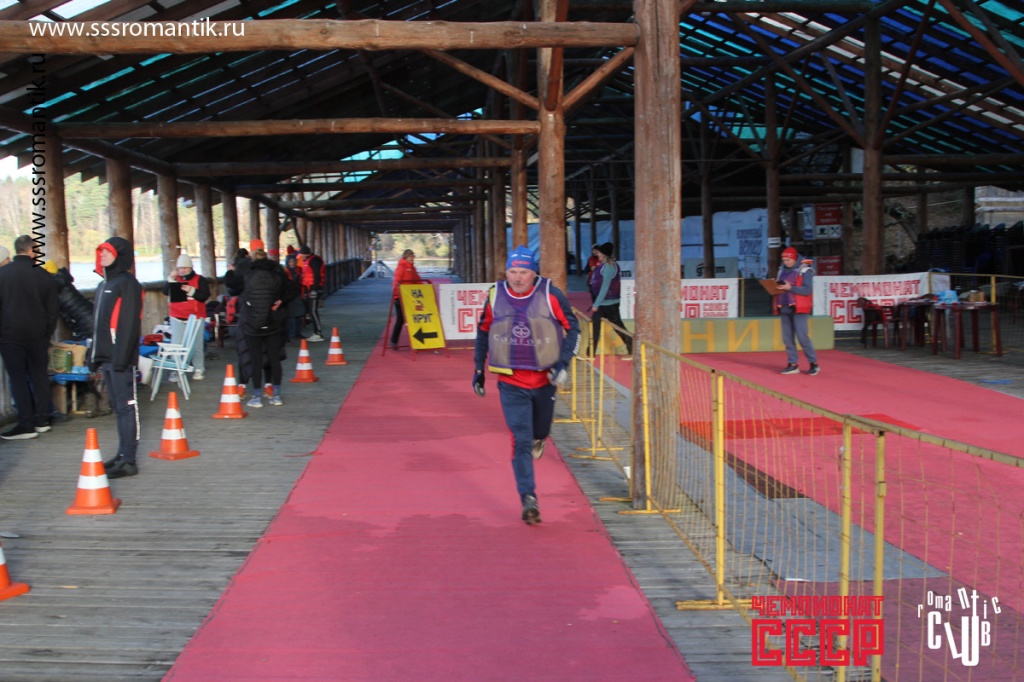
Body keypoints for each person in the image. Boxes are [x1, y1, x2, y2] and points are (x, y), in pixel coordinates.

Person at [473, 245, 581, 524]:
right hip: (511, 382)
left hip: (545, 380)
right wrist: (478, 369)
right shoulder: (495, 295)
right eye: (512, 271)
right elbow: (483, 331)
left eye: (523, 272)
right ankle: (528, 498)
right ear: (506, 272)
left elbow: (574, 328)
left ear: (533, 274)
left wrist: (563, 363)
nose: (517, 278)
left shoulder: (551, 294)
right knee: (520, 439)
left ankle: (539, 437)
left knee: (539, 432)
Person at [91, 237, 143, 478]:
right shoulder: (104, 285)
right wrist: (94, 356)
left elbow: (130, 324)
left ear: (119, 255)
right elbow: (98, 324)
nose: (101, 255)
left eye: (107, 251)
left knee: (127, 407)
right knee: (118, 408)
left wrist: (122, 358)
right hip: (106, 356)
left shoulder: (128, 283)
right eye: (100, 251)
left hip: (120, 358)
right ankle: (121, 455)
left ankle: (129, 460)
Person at [0, 236, 59, 440]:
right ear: (31, 251)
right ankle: (42, 420)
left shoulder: (3, 274)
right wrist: (47, 333)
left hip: (10, 336)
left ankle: (26, 423)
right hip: (38, 335)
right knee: (39, 376)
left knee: (18, 378)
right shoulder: (44, 276)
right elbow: (53, 309)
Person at [227, 242, 292, 408]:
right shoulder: (277, 275)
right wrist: (281, 301)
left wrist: (230, 271)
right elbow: (293, 289)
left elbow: (231, 286)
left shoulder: (246, 275)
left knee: (255, 359)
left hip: (252, 322)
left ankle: (256, 396)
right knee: (274, 359)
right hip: (273, 322)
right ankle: (276, 395)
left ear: (253, 260)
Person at [163, 253, 211, 380]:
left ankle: (199, 368)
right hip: (176, 316)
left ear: (190, 267)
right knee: (176, 345)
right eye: (180, 268)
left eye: (185, 268)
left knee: (197, 345)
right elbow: (165, 291)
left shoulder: (199, 279)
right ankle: (176, 370)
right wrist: (170, 279)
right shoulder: (175, 279)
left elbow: (204, 296)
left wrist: (191, 290)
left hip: (196, 317)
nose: (182, 270)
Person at [775, 246, 819, 376]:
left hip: (799, 308)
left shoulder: (805, 270)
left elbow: (807, 290)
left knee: (802, 337)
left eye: (788, 260)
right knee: (787, 339)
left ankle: (813, 363)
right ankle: (792, 364)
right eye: (784, 260)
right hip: (784, 306)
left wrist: (790, 288)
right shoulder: (781, 270)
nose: (786, 262)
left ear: (794, 259)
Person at [589, 242, 633, 359]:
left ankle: (632, 347)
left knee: (618, 327)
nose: (597, 254)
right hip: (603, 303)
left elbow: (605, 287)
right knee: (595, 325)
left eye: (599, 252)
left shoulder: (609, 267)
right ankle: (590, 353)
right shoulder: (604, 266)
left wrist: (596, 304)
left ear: (604, 254)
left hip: (610, 304)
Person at [389, 248, 429, 350]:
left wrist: (425, 289)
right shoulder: (401, 268)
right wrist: (397, 294)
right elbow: (396, 282)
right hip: (400, 297)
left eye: (413, 256)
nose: (412, 258)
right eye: (411, 257)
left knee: (416, 318)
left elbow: (417, 280)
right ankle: (394, 341)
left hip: (411, 297)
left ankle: (417, 342)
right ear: (406, 257)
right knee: (400, 320)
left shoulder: (412, 268)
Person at [297, 245, 325, 342]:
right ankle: (316, 332)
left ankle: (318, 333)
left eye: (302, 254)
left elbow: (317, 275)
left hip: (314, 288)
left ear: (305, 254)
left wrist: (314, 289)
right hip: (309, 288)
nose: (301, 256)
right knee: (311, 311)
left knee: (312, 311)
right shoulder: (309, 260)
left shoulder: (314, 260)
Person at [283, 254, 309, 341]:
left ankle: (298, 333)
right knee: (292, 316)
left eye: (294, 261)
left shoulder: (299, 269)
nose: (292, 263)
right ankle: (292, 333)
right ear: (287, 262)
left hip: (299, 293)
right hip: (290, 295)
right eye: (290, 261)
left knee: (299, 314)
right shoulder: (286, 271)